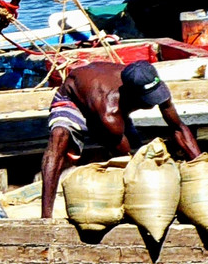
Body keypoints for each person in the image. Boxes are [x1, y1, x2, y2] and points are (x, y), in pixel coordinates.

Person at [40, 59, 202, 218]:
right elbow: (127, 159)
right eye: (148, 98)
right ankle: (46, 216)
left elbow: (178, 128)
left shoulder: (153, 84)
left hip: (105, 99)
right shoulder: (109, 112)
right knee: (59, 135)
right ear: (132, 94)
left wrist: (200, 168)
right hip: (73, 99)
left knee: (137, 149)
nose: (153, 102)